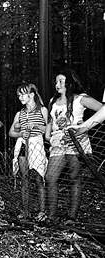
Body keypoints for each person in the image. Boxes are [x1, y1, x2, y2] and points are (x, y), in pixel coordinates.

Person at [45, 70, 103, 224]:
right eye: (56, 82)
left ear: (70, 83)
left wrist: (84, 127)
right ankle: (51, 216)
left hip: (76, 141)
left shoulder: (80, 99)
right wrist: (48, 133)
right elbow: (51, 121)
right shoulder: (52, 100)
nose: (57, 85)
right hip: (58, 142)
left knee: (74, 178)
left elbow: (101, 109)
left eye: (61, 81)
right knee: (50, 178)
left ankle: (72, 217)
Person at [8, 83, 48, 220]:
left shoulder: (42, 110)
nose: (19, 97)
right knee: (24, 179)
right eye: (18, 95)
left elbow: (48, 130)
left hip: (37, 144)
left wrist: (36, 125)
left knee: (39, 178)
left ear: (31, 95)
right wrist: (20, 134)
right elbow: (11, 132)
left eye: (22, 94)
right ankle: (26, 211)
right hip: (23, 146)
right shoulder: (19, 113)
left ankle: (42, 211)